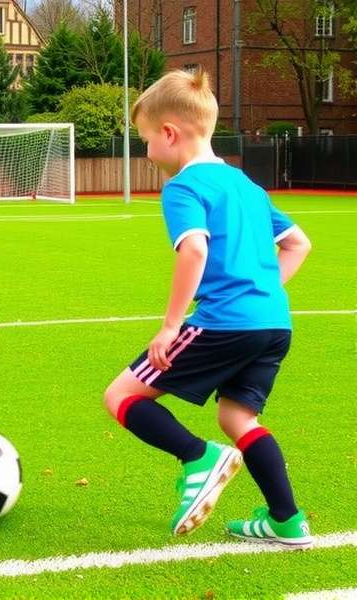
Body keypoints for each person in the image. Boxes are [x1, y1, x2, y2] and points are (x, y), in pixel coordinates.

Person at [102, 70, 313, 547]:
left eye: (146, 139)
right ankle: (287, 519)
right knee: (238, 417)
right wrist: (258, 293)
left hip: (224, 323)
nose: (147, 151)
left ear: (170, 133)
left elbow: (194, 249)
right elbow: (299, 244)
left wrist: (170, 325)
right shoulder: (247, 187)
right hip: (274, 324)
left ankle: (199, 458)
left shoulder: (183, 188)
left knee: (121, 397)